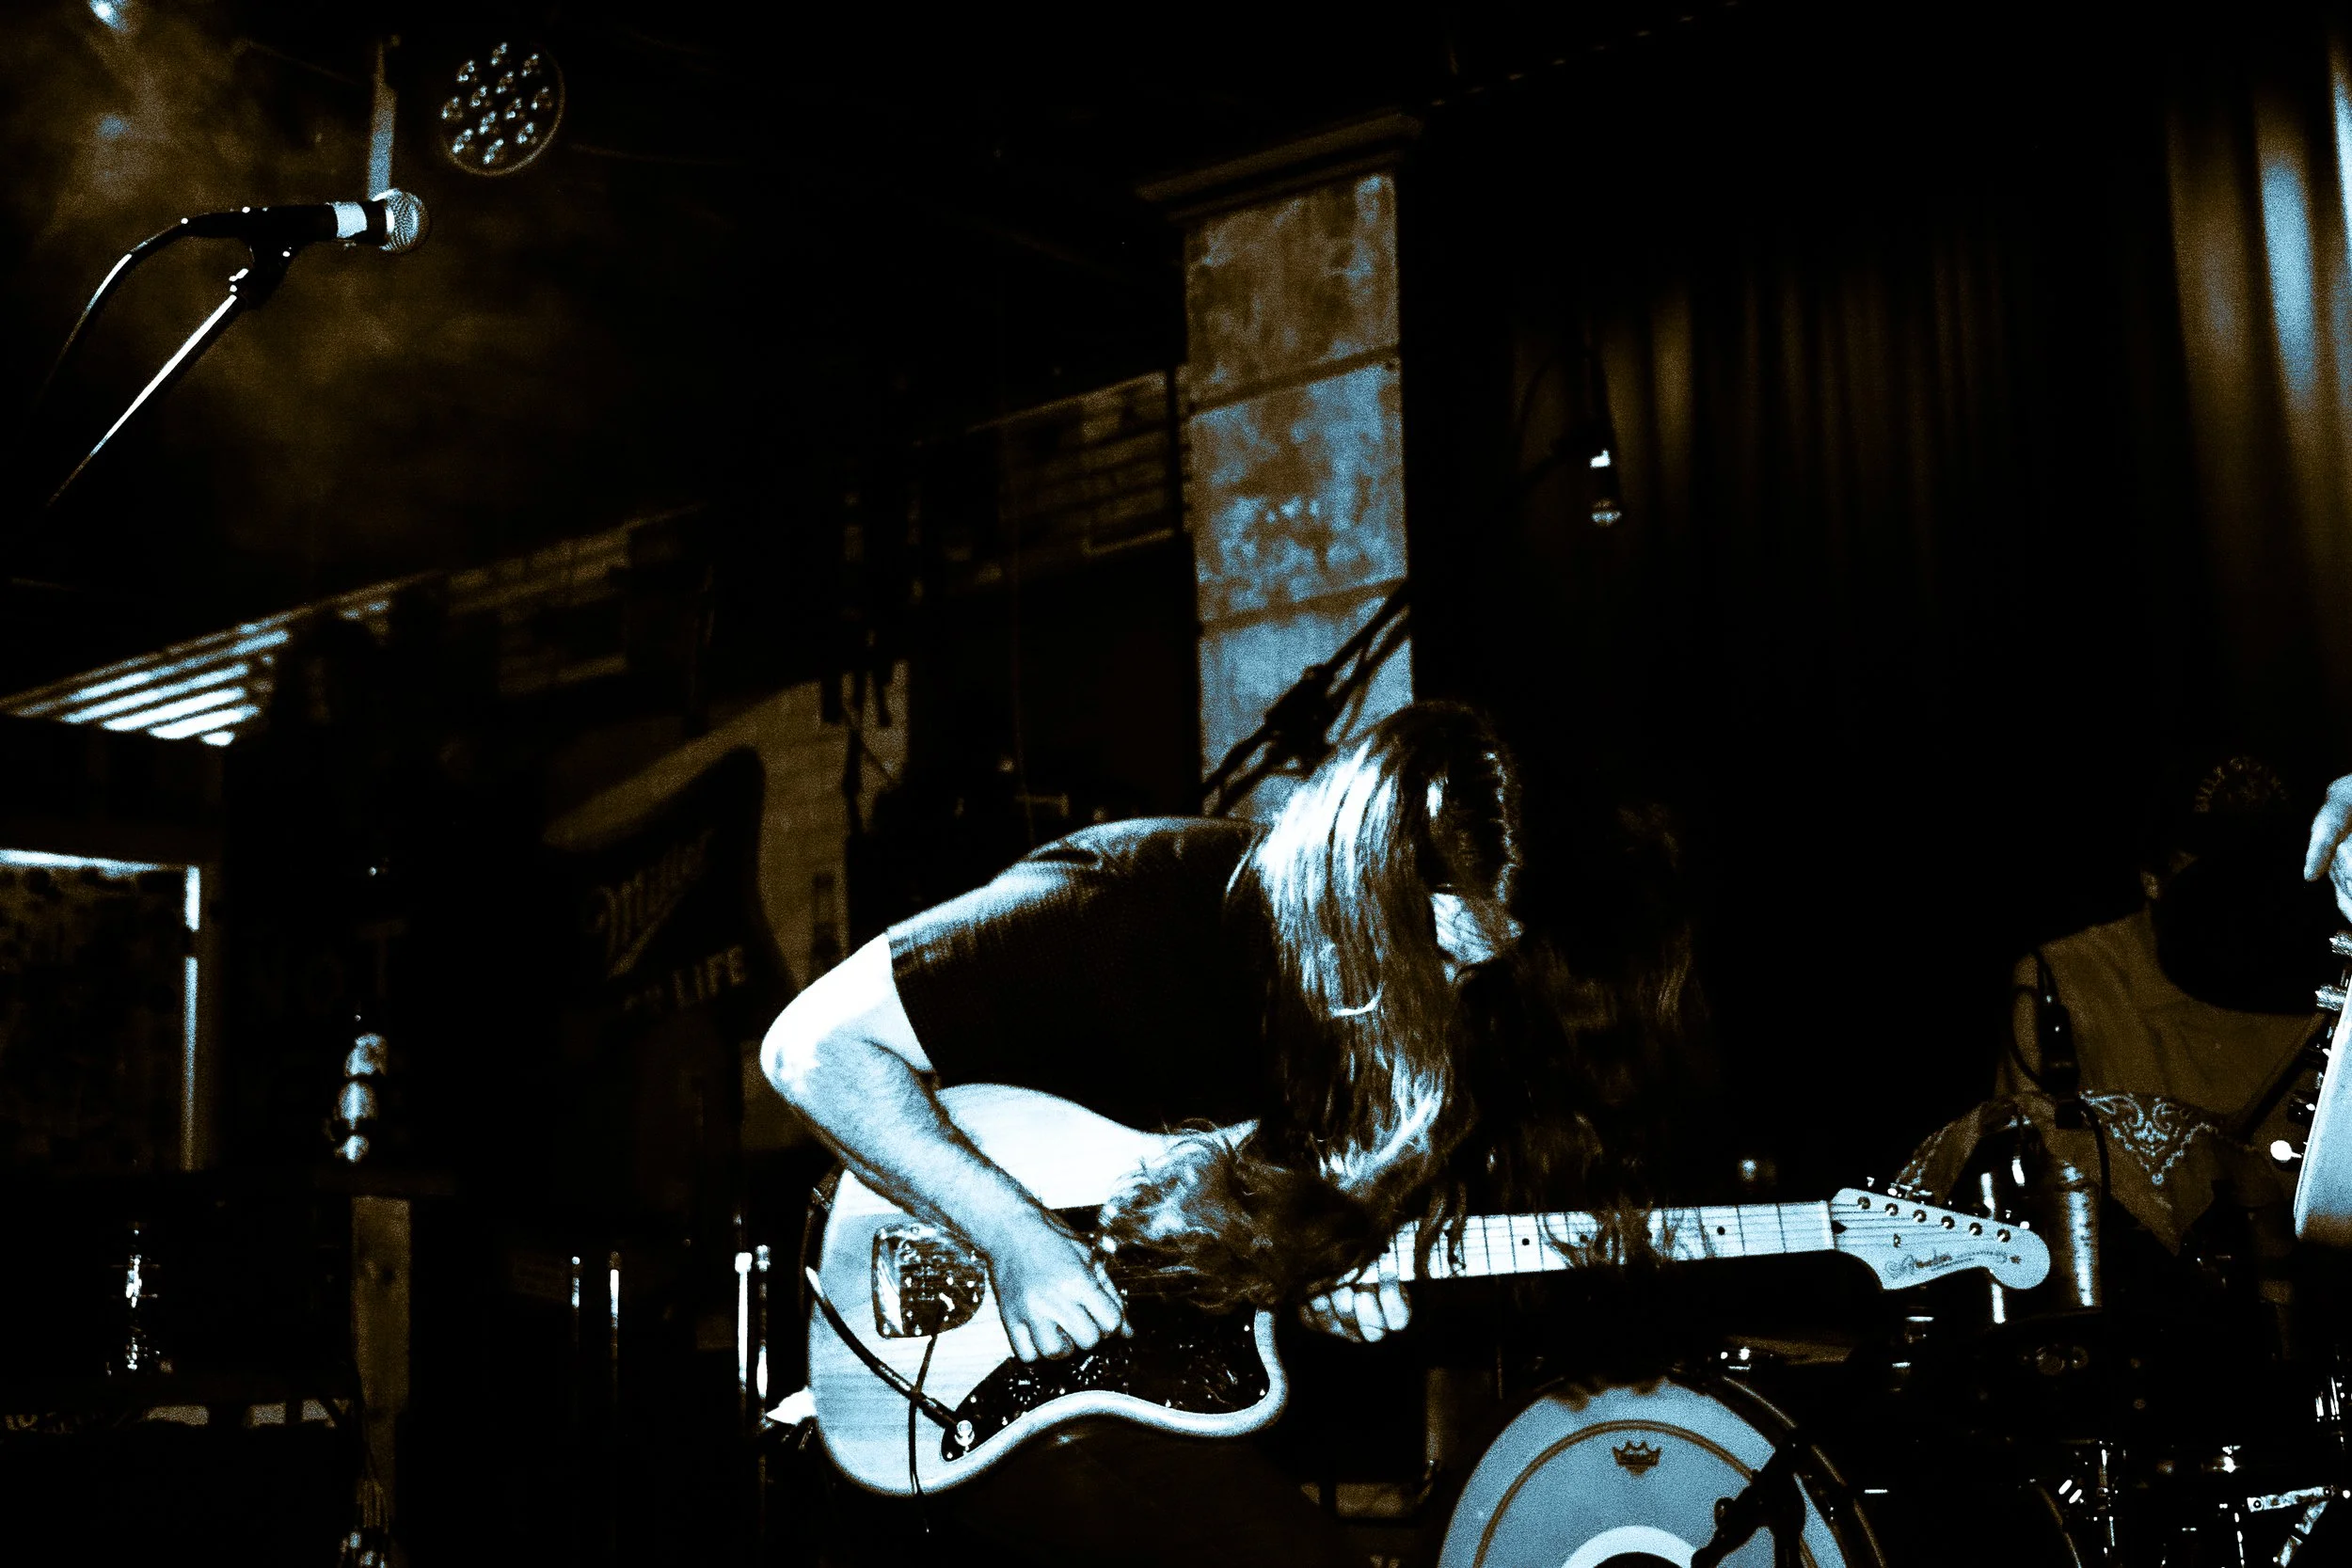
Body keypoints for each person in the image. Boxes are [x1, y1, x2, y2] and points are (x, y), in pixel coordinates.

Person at [762, 702, 1696, 1568]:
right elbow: (809, 1045)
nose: (1448, 994)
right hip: (953, 1372)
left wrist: (1320, 1268)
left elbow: (1225, 1241)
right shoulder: (1135, 899)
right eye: (1438, 955)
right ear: (1361, 885)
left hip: (1132, 1397)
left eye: (1474, 969)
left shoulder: (1382, 1038)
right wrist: (1014, 1235)